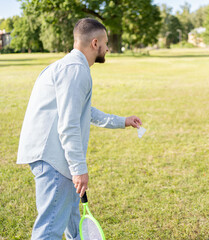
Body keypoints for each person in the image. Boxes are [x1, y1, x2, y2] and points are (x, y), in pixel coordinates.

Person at [17, 18, 142, 239]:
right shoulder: (75, 70)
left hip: (51, 156)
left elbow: (85, 112)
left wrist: (122, 120)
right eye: (105, 43)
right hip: (53, 159)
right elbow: (69, 125)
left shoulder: (69, 66)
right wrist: (78, 169)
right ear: (95, 43)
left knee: (73, 223)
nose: (107, 48)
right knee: (49, 229)